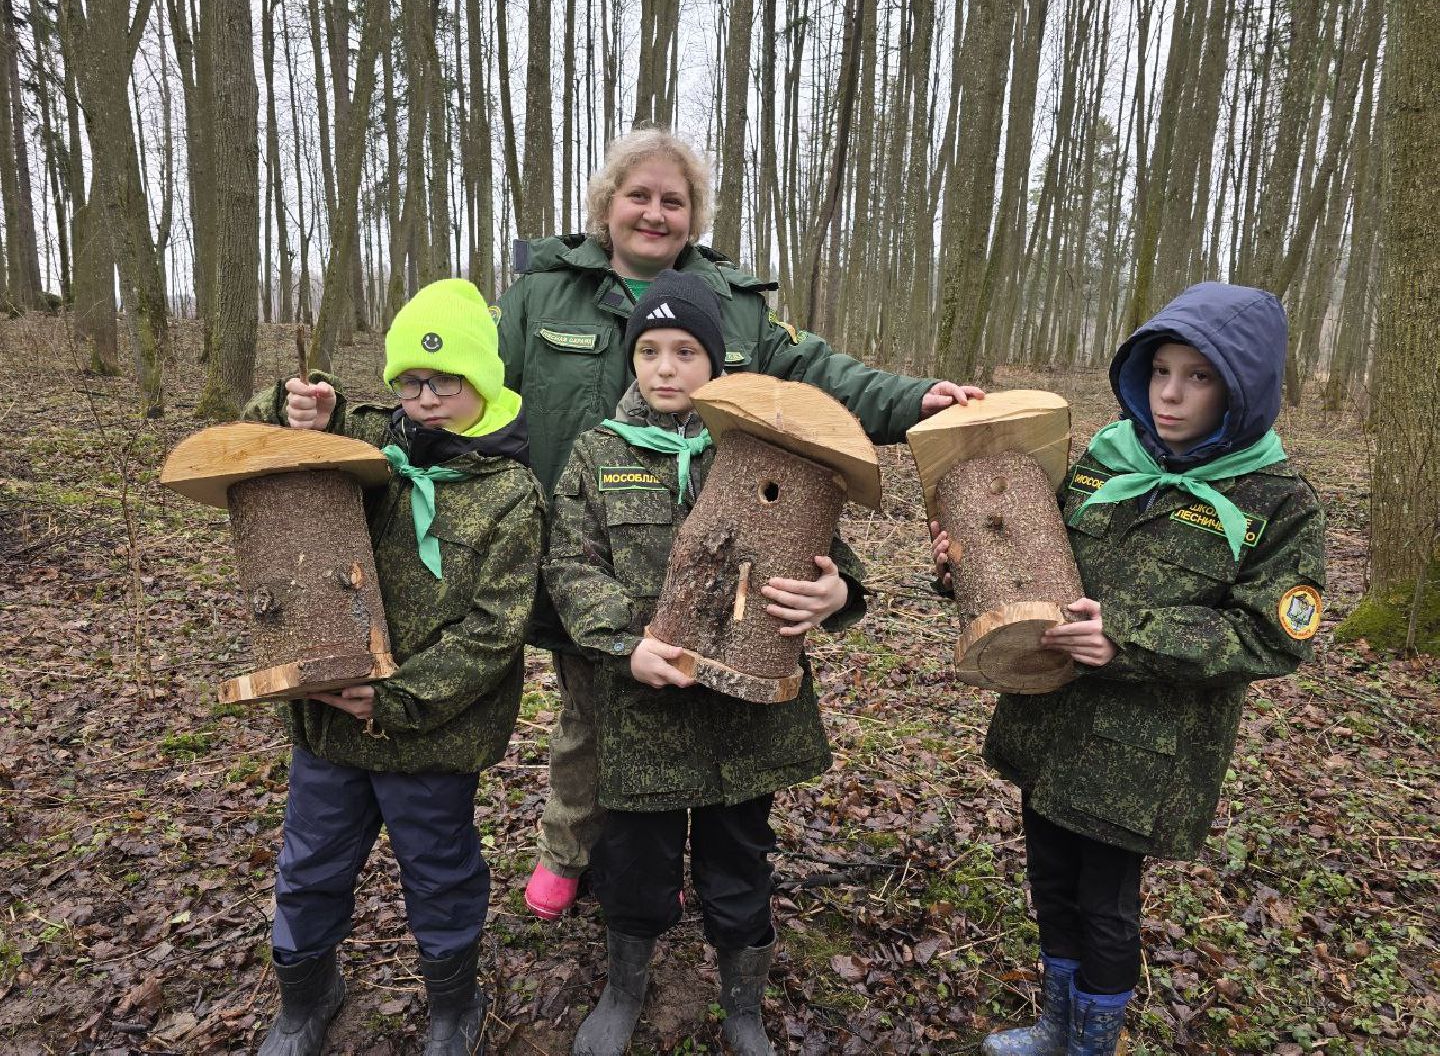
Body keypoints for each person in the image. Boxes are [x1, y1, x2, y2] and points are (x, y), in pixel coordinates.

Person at [496, 126, 984, 919]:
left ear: (694, 215)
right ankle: (571, 849)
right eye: (639, 196)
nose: (654, 213)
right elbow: (473, 394)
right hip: (589, 551)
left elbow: (824, 378)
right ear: (606, 204)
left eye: (673, 201)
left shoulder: (734, 305)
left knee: (681, 705)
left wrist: (916, 399)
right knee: (589, 715)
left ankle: (660, 862)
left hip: (706, 552)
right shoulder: (541, 295)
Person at [931, 283, 1326, 1056]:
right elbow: (1033, 563)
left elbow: (1273, 636)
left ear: (1243, 390)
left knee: (1106, 905)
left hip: (1144, 755)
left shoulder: (1276, 501)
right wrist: (966, 565)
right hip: (1051, 716)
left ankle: (1091, 1043)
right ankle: (1054, 1026)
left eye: (1199, 376)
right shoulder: (1105, 464)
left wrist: (1129, 636)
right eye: (1161, 371)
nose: (1171, 394)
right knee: (1050, 882)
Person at [545, 271, 865, 1056]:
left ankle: (742, 1001)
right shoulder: (598, 453)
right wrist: (627, 644)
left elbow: (837, 562)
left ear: (716, 363)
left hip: (744, 719)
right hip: (644, 707)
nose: (665, 367)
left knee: (739, 856)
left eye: (686, 351)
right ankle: (624, 987)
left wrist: (836, 594)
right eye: (649, 351)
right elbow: (569, 565)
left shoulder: (765, 449)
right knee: (635, 858)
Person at [243, 278, 545, 1056]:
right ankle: (304, 998)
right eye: (411, 380)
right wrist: (296, 409)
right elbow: (261, 446)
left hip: (431, 736)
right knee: (310, 865)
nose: (426, 396)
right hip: (329, 727)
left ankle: (453, 1005)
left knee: (439, 871)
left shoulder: (510, 492)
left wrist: (399, 698)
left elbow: (493, 631)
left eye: (446, 380)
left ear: (483, 379)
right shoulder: (366, 440)